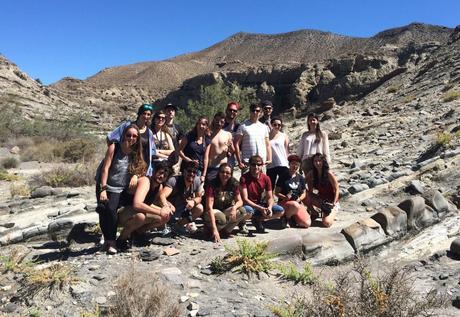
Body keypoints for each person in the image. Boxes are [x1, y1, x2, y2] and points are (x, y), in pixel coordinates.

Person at [98, 124, 147, 254]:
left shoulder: (136, 151)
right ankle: (110, 241)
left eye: (134, 136)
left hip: (122, 188)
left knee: (112, 211)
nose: (131, 138)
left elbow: (142, 166)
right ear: (123, 135)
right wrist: (103, 189)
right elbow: (105, 169)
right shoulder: (114, 147)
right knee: (105, 210)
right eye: (128, 135)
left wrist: (136, 176)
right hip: (108, 186)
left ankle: (114, 240)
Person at [117, 161, 173, 249]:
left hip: (134, 212)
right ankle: (121, 239)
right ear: (154, 171)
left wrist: (165, 209)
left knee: (164, 217)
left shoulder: (159, 187)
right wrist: (159, 211)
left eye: (165, 175)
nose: (162, 176)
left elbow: (149, 204)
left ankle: (138, 233)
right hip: (122, 211)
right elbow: (137, 204)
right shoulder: (145, 181)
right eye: (160, 173)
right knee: (140, 217)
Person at [107, 103, 156, 176]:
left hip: (139, 166)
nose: (146, 116)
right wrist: (112, 152)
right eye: (144, 113)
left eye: (148, 114)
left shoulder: (149, 133)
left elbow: (152, 150)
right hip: (123, 163)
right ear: (139, 113)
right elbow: (110, 138)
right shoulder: (127, 126)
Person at [240, 155, 284, 233]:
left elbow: (270, 197)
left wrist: (269, 208)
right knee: (248, 211)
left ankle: (257, 220)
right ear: (249, 165)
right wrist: (261, 209)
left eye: (259, 165)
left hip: (260, 205)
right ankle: (242, 223)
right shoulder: (244, 178)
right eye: (253, 164)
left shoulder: (266, 178)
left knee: (280, 211)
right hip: (249, 205)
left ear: (262, 165)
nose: (256, 167)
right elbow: (245, 199)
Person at [204, 163, 246, 242]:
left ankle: (225, 231)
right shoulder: (212, 184)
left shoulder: (233, 183)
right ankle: (211, 230)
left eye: (227, 173)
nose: (224, 174)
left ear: (231, 174)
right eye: (222, 172)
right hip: (212, 212)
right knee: (221, 218)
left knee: (242, 211)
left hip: (224, 210)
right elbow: (209, 207)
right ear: (218, 173)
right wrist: (214, 229)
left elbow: (240, 201)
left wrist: (234, 207)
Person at [160, 161, 204, 234]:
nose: (192, 174)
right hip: (171, 208)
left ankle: (177, 226)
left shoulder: (196, 180)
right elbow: (162, 195)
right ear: (183, 171)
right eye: (189, 171)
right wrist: (167, 205)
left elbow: (199, 197)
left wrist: (193, 201)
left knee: (199, 208)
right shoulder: (174, 180)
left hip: (183, 208)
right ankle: (164, 225)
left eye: (194, 172)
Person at [275, 154, 311, 228]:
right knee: (294, 205)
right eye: (293, 164)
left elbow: (304, 193)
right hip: (285, 202)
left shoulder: (300, 178)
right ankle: (286, 218)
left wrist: (299, 199)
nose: (295, 166)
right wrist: (285, 197)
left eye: (297, 165)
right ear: (289, 164)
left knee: (306, 224)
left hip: (297, 202)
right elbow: (276, 192)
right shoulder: (283, 176)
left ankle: (293, 217)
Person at [304, 153, 339, 228]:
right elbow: (302, 183)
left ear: (323, 162)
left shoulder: (328, 173)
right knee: (303, 193)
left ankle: (332, 212)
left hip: (330, 202)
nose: (317, 163)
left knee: (327, 223)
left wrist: (334, 203)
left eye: (319, 161)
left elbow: (337, 189)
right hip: (321, 200)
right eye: (315, 161)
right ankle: (314, 212)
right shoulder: (312, 173)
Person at [235, 103, 272, 171]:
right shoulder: (243, 126)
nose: (255, 112)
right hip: (247, 163)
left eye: (257, 111)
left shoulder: (264, 127)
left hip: (261, 164)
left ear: (260, 112)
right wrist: (239, 161)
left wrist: (269, 159)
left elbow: (267, 144)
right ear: (250, 111)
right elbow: (236, 143)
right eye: (253, 110)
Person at [203, 112, 234, 184]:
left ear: (224, 123)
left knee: (224, 191)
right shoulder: (207, 134)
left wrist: (229, 149)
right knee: (210, 191)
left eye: (222, 122)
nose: (219, 123)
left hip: (224, 168)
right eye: (217, 120)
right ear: (214, 120)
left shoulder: (228, 134)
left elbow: (232, 151)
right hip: (211, 168)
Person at [266, 117, 289, 188]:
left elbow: (287, 150)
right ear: (271, 125)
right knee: (270, 186)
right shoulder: (266, 136)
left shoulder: (284, 136)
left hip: (282, 163)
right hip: (271, 164)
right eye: (275, 124)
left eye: (279, 125)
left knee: (284, 184)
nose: (277, 126)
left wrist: (288, 162)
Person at [223, 101, 241, 169]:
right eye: (230, 110)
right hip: (217, 157)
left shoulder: (238, 127)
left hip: (231, 159)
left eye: (235, 111)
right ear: (226, 110)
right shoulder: (219, 124)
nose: (232, 112)